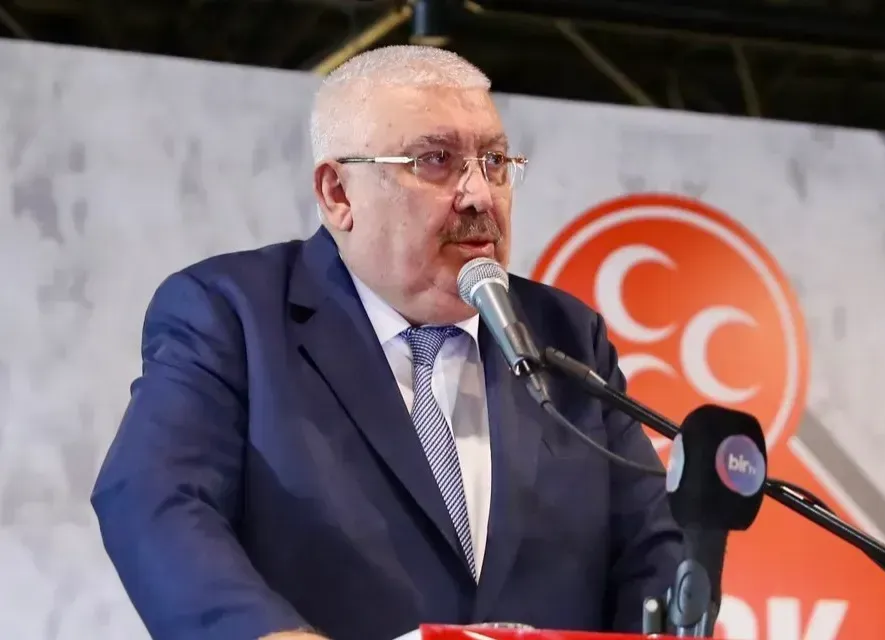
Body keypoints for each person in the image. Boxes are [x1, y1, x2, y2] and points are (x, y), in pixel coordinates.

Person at [91, 45, 683, 640]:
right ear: (338, 193)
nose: (480, 194)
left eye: (495, 160)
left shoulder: (565, 335)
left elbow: (652, 549)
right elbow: (152, 497)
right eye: (436, 161)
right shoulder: (233, 314)